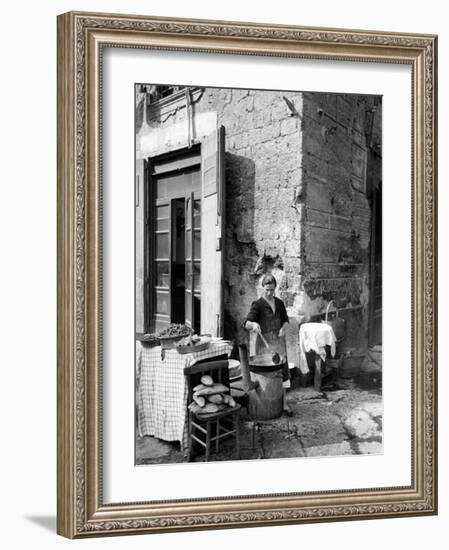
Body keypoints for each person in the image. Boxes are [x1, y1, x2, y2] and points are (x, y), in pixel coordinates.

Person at [244, 273, 292, 415]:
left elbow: (286, 320)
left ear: (275, 288)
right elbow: (245, 323)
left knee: (283, 373)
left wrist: (284, 327)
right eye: (267, 290)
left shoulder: (279, 303)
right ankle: (263, 405)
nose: (270, 293)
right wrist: (253, 324)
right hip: (263, 346)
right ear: (262, 288)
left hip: (278, 343)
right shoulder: (258, 304)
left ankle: (284, 404)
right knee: (265, 377)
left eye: (272, 290)